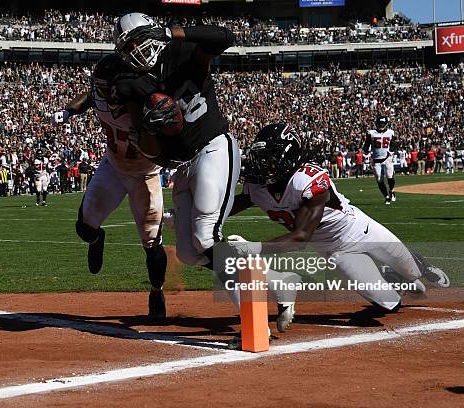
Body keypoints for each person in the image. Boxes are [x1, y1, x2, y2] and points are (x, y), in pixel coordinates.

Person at [231, 123, 450, 314]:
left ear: (288, 156)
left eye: (269, 157)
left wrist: (252, 248)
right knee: (389, 304)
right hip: (334, 251)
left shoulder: (306, 180)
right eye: (260, 157)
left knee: (412, 272)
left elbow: (300, 238)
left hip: (359, 230)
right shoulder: (256, 187)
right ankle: (391, 276)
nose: (262, 163)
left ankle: (422, 266)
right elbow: (224, 208)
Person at [112, 13, 240, 275]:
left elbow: (226, 37)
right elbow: (155, 155)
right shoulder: (131, 84)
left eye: (136, 42)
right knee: (188, 253)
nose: (134, 52)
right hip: (181, 165)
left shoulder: (179, 52)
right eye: (127, 49)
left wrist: (175, 33)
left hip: (211, 146)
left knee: (205, 237)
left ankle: (263, 290)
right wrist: (149, 127)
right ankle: (247, 261)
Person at [57, 53, 167, 319]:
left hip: (145, 175)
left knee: (151, 242)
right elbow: (89, 97)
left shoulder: (146, 104)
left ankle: (156, 291)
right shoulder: (102, 95)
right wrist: (68, 111)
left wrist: (146, 133)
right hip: (114, 166)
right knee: (84, 227)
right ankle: (97, 239)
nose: (101, 92)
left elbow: (161, 146)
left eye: (106, 87)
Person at [364, 115, 396, 205]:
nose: (381, 125)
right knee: (379, 179)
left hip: (387, 158)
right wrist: (365, 151)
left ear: (386, 123)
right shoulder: (371, 133)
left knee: (390, 176)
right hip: (376, 159)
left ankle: (392, 191)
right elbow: (366, 144)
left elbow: (393, 144)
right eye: (380, 123)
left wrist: (391, 151)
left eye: (383, 123)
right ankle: (386, 196)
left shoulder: (390, 132)